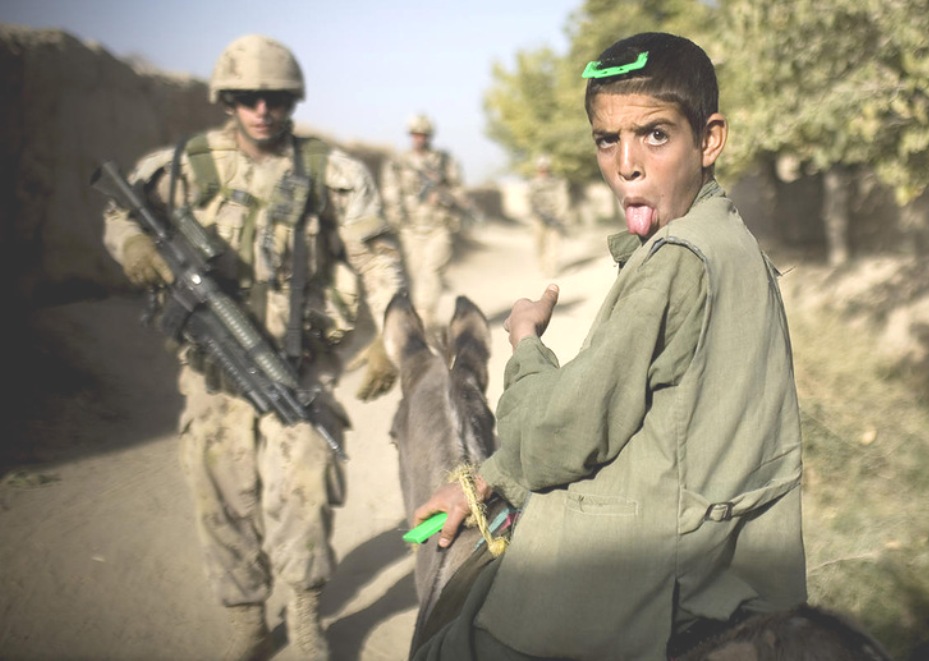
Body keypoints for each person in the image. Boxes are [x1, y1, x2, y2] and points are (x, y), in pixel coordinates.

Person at [409, 32, 807, 660]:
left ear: (709, 140)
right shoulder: (732, 241)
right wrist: (490, 477)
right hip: (734, 569)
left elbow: (560, 439)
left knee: (446, 648)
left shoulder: (676, 260)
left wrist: (525, 344)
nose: (626, 164)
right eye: (606, 139)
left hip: (655, 579)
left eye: (655, 135)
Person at [102, 34, 405, 661]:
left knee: (306, 485)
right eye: (246, 97)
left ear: (292, 100)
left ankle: (304, 613)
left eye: (275, 98)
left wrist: (392, 335)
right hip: (212, 367)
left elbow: (376, 258)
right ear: (226, 100)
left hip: (299, 366)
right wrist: (132, 245)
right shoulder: (182, 166)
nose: (262, 109)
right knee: (218, 489)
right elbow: (120, 211)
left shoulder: (331, 173)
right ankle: (246, 620)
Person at [380, 113, 470, 330]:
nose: (419, 138)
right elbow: (390, 193)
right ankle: (415, 318)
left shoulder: (444, 161)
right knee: (414, 273)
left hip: (438, 225)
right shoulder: (399, 163)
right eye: (416, 134)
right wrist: (396, 219)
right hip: (410, 228)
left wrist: (445, 198)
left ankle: (425, 316)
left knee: (432, 270)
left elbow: (458, 190)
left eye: (423, 134)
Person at [526, 154, 570, 277]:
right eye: (541, 167)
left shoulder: (556, 182)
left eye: (545, 167)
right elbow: (529, 200)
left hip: (554, 217)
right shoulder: (533, 183)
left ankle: (551, 269)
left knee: (554, 244)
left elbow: (562, 199)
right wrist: (535, 213)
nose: (543, 169)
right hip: (538, 218)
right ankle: (542, 266)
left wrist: (560, 214)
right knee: (540, 244)